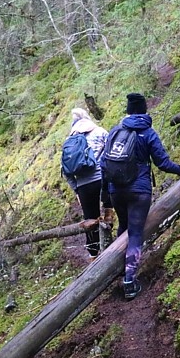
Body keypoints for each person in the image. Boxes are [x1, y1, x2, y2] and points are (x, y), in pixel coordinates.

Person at [102, 93, 180, 299]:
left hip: (116, 189)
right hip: (139, 191)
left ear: (128, 111)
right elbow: (163, 163)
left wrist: (107, 194)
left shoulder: (114, 131)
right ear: (145, 110)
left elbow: (104, 163)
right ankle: (129, 281)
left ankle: (119, 268)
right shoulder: (148, 133)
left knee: (124, 226)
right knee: (135, 233)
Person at [63, 107, 114, 260]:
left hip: (84, 185)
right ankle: (111, 245)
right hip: (102, 179)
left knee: (90, 220)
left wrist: (76, 189)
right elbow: (112, 154)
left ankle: (93, 255)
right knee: (108, 211)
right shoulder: (100, 132)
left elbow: (66, 170)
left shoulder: (69, 141)